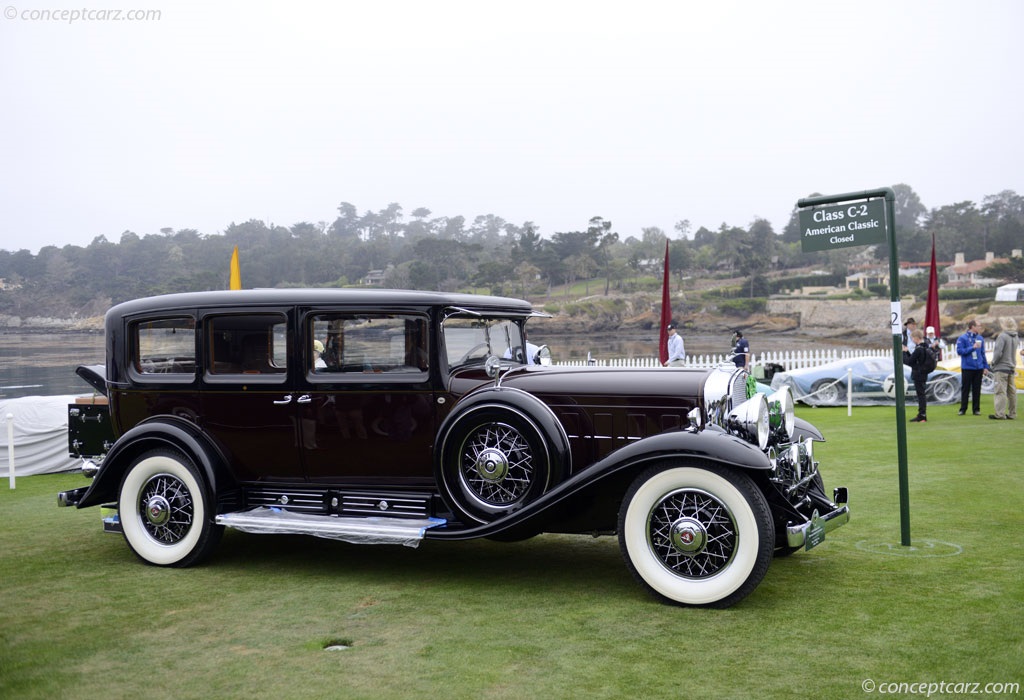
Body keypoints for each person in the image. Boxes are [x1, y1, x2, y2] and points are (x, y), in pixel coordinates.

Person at [956, 319, 990, 416]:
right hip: (967, 367)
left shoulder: (980, 338)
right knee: (965, 389)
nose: (980, 327)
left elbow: (983, 353)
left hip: (978, 368)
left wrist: (985, 366)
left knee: (977, 389)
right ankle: (963, 409)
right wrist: (972, 348)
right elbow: (960, 352)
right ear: (972, 327)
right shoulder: (962, 338)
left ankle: (976, 409)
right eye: (978, 326)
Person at [989, 317, 1019, 420]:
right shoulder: (1015, 337)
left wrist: (993, 363)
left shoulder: (1002, 336)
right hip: (1011, 366)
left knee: (1000, 391)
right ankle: (1012, 413)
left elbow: (998, 353)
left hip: (1001, 367)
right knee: (1012, 392)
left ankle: (1000, 414)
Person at [903, 328, 930, 422]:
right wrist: (907, 352)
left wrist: (903, 353)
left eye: (912, 338)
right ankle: (922, 414)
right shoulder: (926, 346)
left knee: (921, 395)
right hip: (924, 373)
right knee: (922, 394)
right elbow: (915, 360)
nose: (912, 340)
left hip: (918, 374)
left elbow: (909, 362)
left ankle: (922, 415)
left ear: (916, 338)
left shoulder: (918, 349)